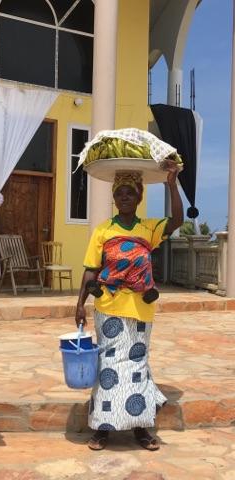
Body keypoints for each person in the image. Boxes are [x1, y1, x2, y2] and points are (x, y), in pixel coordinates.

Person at [75, 161, 183, 451]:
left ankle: (141, 429)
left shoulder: (148, 228)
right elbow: (90, 270)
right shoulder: (102, 231)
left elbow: (176, 221)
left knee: (137, 368)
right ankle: (102, 430)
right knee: (108, 367)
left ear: (139, 197)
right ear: (113, 197)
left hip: (140, 310)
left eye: (130, 192)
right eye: (119, 192)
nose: (124, 197)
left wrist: (172, 184)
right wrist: (79, 304)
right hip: (108, 306)